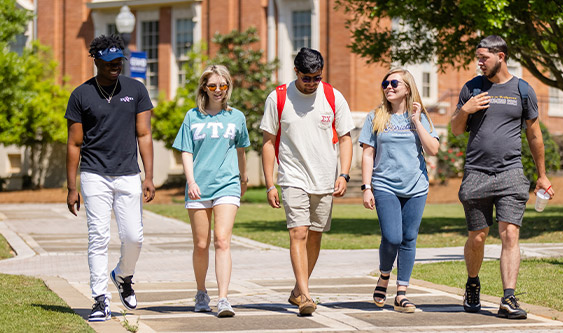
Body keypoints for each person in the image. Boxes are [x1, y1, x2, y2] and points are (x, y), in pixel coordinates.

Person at [451, 35, 555, 319]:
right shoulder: (471, 87)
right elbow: (457, 130)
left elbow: (534, 135)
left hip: (511, 173)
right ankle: (473, 283)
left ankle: (508, 298)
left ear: (501, 56)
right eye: (478, 57)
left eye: (483, 57)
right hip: (476, 173)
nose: (479, 62)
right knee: (478, 237)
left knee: (510, 233)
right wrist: (465, 109)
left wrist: (542, 176)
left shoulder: (523, 90)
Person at [65, 34, 155, 322]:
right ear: (96, 61)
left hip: (129, 173)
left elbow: (144, 134)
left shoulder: (136, 90)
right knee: (99, 237)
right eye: (109, 62)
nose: (116, 66)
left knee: (134, 237)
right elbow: (74, 144)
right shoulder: (81, 95)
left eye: (119, 61)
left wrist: (149, 176)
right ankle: (99, 299)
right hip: (94, 174)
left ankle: (123, 275)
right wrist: (71, 187)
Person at [261, 47, 354, 316]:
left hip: (324, 178)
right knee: (298, 232)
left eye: (316, 77)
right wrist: (270, 183)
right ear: (296, 72)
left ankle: (297, 290)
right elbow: (268, 142)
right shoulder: (278, 97)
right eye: (307, 78)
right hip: (292, 176)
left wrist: (343, 173)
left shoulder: (333, 96)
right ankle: (305, 296)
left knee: (314, 236)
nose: (312, 83)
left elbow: (346, 137)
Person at [359, 68, 439, 312]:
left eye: (395, 82)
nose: (389, 86)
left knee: (409, 238)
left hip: (416, 186)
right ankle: (384, 275)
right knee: (392, 237)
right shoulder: (376, 116)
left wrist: (416, 121)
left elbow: (433, 149)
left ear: (407, 88)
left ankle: (401, 293)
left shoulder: (421, 116)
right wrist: (366, 187)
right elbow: (368, 153)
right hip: (385, 185)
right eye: (386, 82)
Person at [172, 65, 249, 318]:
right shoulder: (192, 116)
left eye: (223, 86)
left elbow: (240, 150)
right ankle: (201, 291)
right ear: (204, 87)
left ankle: (224, 298)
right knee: (201, 244)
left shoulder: (236, 117)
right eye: (213, 86)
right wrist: (191, 181)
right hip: (199, 186)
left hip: (227, 184)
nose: (218, 91)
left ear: (228, 87)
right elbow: (186, 150)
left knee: (222, 241)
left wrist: (243, 177)